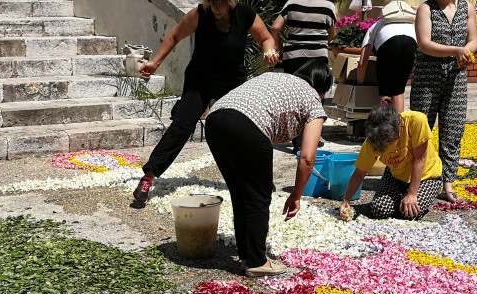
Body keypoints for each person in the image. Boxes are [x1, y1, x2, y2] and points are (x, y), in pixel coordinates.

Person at [132, 0, 278, 207]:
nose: (216, 12)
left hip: (232, 82)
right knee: (182, 126)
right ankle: (149, 177)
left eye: (220, 7)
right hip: (199, 81)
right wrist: (155, 62)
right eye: (213, 7)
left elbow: (265, 38)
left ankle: (257, 179)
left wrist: (268, 50)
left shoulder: (244, 14)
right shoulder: (199, 14)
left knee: (244, 128)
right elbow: (174, 36)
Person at [204, 60, 332, 277]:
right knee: (258, 196)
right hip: (248, 125)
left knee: (241, 191)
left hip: (215, 120)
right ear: (322, 90)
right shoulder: (312, 99)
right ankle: (257, 261)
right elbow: (308, 157)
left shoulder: (273, 77)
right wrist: (296, 195)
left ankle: (247, 255)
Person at [409, 0, 477, 204]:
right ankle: (416, 180)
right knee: (421, 129)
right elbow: (424, 44)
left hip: (455, 77)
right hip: (427, 77)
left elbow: (473, 40)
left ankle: (447, 183)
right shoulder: (426, 8)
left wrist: (466, 51)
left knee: (453, 130)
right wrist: (455, 50)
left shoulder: (467, 8)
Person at [337, 101, 442, 221]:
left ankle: (409, 196)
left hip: (426, 175)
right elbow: (360, 173)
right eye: (384, 142)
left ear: (399, 124)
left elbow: (420, 159)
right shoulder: (374, 141)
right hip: (396, 176)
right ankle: (401, 197)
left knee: (410, 212)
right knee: (379, 209)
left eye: (391, 139)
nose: (389, 144)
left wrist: (412, 194)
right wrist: (347, 200)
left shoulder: (416, 121)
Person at [359, 1, 418, 112]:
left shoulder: (377, 25)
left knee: (385, 90)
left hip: (389, 44)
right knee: (398, 90)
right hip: (411, 42)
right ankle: (398, 126)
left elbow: (363, 61)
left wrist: (360, 83)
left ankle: (384, 125)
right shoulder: (411, 25)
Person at [270, 0, 338, 75]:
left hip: (293, 56)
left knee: (293, 85)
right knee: (316, 86)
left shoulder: (292, 3)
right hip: (318, 57)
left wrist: (279, 47)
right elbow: (332, 34)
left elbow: (275, 28)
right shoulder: (329, 6)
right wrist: (318, 45)